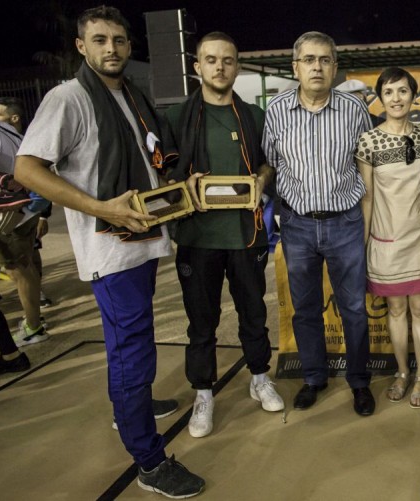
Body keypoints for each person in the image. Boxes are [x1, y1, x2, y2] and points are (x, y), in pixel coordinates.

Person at [13, 6, 204, 498]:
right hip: (110, 248)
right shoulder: (68, 98)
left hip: (142, 240)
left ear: (128, 46)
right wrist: (102, 208)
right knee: (130, 352)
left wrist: (178, 187)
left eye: (118, 40)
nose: (111, 48)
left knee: (136, 343)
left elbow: (149, 160)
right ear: (81, 46)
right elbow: (27, 170)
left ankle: (130, 410)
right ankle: (149, 462)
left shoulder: (131, 96)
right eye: (99, 40)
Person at [165, 32, 284, 438]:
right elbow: (161, 173)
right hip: (197, 238)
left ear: (237, 67)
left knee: (254, 313)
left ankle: (260, 377)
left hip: (245, 235)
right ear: (197, 66)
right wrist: (182, 185)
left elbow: (269, 163)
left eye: (228, 60)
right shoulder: (176, 117)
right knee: (202, 322)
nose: (220, 67)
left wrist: (260, 181)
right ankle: (203, 393)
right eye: (211, 60)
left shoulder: (253, 116)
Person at [262, 31, 375, 416]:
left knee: (354, 308)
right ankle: (314, 377)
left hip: (345, 222)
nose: (317, 67)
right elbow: (271, 162)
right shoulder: (276, 111)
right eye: (309, 60)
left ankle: (359, 381)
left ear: (335, 67)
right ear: (295, 67)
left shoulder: (354, 110)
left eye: (325, 60)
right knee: (306, 308)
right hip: (297, 226)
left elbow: (365, 162)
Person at [355, 67, 420, 408]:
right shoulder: (369, 141)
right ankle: (402, 372)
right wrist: (364, 244)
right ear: (380, 98)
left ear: (413, 96)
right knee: (395, 309)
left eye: (403, 91)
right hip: (386, 239)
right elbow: (367, 198)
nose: (396, 98)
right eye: (389, 92)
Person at [0, 98, 47, 347]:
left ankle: (33, 327)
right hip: (25, 210)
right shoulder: (13, 133)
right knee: (25, 267)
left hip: (8, 215)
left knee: (18, 270)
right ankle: (34, 321)